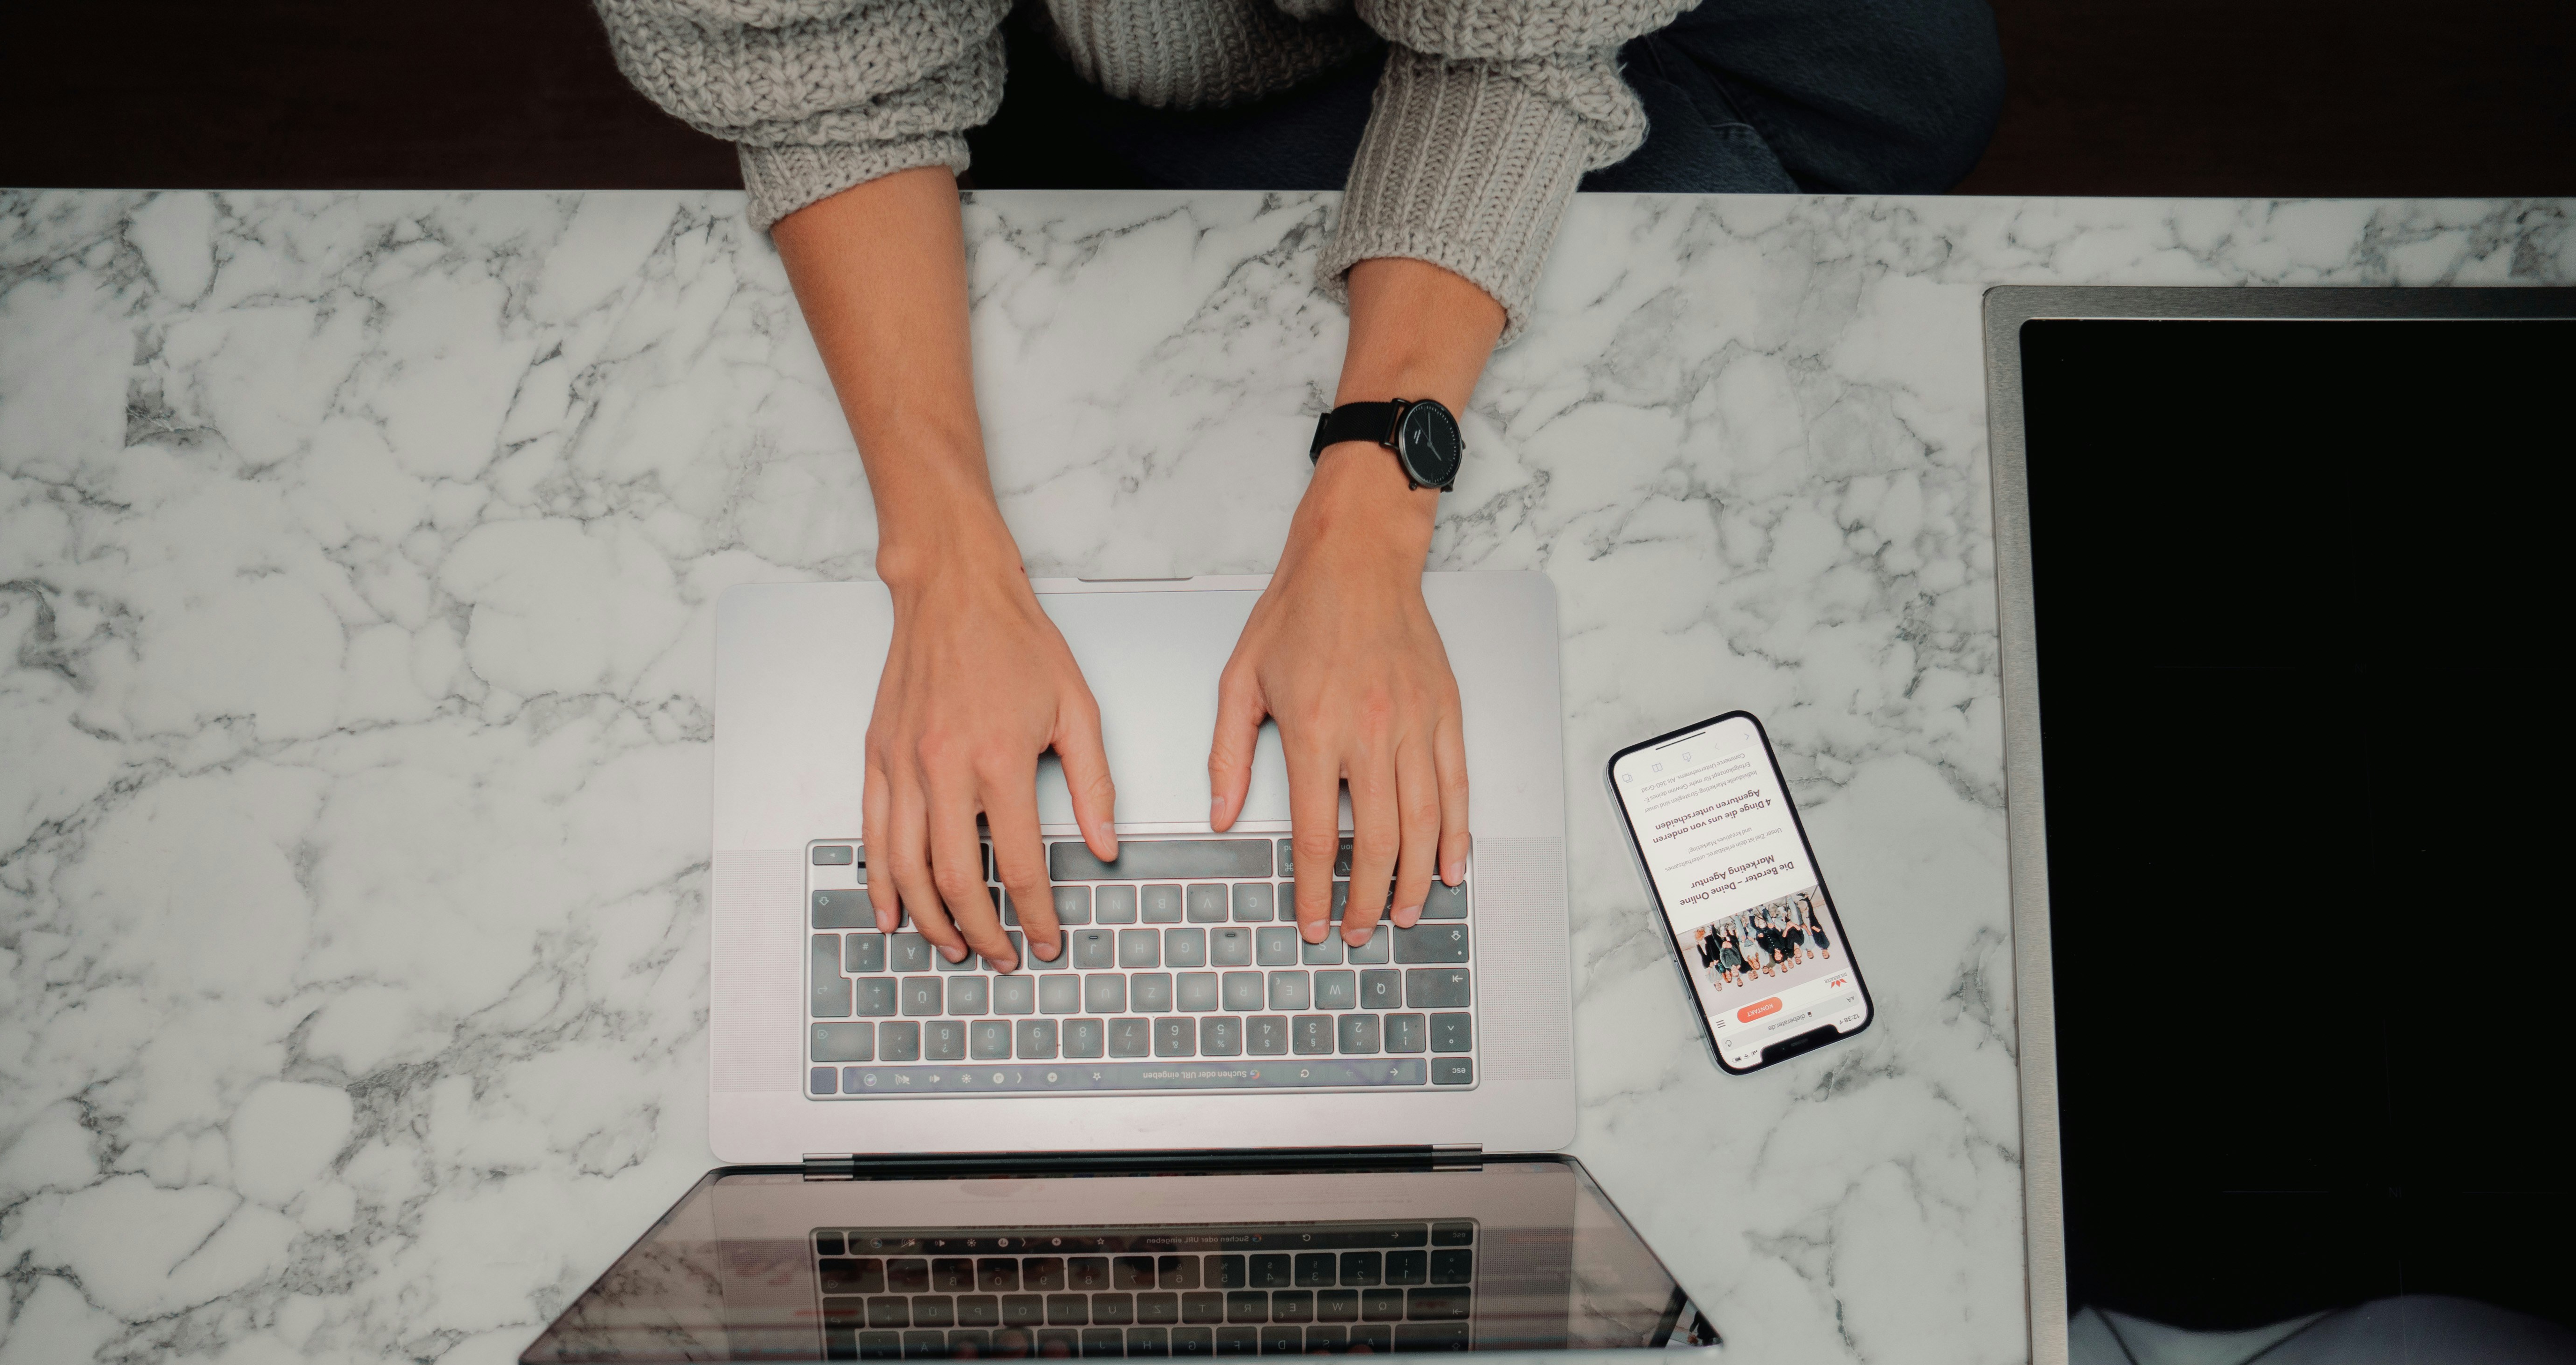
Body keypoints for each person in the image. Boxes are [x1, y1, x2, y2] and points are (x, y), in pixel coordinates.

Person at [591, 0, 2004, 973]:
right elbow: (821, 70)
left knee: (1909, 92)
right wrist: (940, 561)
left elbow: (1513, 48)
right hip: (1116, 57)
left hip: (1477, 34)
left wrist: (1365, 522)